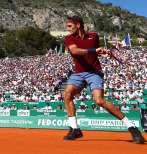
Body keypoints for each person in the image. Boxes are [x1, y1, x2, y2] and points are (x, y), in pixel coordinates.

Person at [62, 15, 145, 144]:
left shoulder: (94, 36)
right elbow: (75, 51)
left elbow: (94, 52)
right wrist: (94, 50)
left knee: (99, 100)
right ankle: (75, 129)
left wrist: (101, 53)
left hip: (94, 72)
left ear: (78, 25)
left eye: (70, 26)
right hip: (78, 73)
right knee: (66, 94)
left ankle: (132, 127)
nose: (67, 29)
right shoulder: (68, 38)